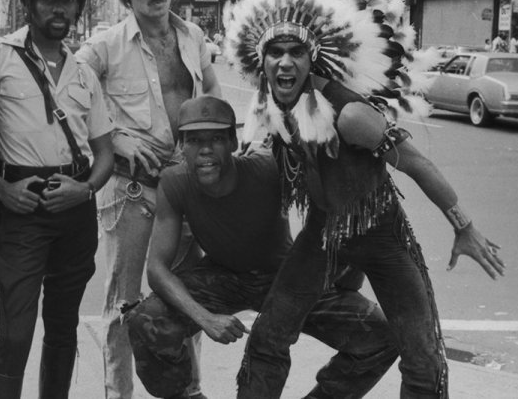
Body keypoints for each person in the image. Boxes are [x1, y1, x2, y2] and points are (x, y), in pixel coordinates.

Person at [224, 0, 505, 398]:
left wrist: (464, 227)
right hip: (322, 235)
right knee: (269, 336)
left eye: (296, 52)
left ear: (312, 58)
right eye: (275, 52)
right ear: (262, 59)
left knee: (423, 359)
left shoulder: (351, 115)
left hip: (382, 236)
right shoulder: (272, 108)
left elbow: (417, 163)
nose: (284, 63)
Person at [126, 95, 398, 399]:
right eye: (194, 140)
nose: (205, 149)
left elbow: (333, 199)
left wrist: (344, 270)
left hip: (285, 276)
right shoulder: (174, 182)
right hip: (223, 276)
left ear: (232, 141)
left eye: (216, 139)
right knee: (145, 321)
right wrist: (206, 319)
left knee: (384, 337)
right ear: (181, 146)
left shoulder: (267, 168)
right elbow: (157, 268)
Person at [75, 0, 220, 399]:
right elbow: (67, 95)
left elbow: (214, 97)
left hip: (188, 190)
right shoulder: (107, 45)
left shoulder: (193, 36)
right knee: (125, 302)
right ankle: (118, 393)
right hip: (132, 192)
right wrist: (113, 138)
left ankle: (188, 389)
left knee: (188, 299)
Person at [0, 0, 114, 398]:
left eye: (68, 0)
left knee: (63, 326)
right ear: (27, 4)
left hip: (74, 207)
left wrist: (86, 189)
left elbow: (105, 151)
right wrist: (2, 190)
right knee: (15, 328)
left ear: (78, 8)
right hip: (23, 205)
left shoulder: (85, 72)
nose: (59, 9)